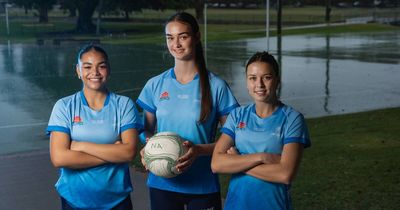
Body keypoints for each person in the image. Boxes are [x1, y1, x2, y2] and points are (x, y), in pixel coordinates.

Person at [136, 12, 239, 210]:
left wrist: (199, 150)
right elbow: (145, 130)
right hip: (162, 182)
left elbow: (234, 136)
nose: (176, 43)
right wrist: (150, 147)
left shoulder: (216, 86)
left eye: (183, 36)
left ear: (197, 37)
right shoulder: (155, 85)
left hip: (203, 184)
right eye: (170, 37)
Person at [46, 44, 142, 210]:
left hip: (118, 202)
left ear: (109, 69)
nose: (95, 73)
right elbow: (59, 158)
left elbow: (129, 152)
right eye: (87, 67)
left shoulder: (124, 105)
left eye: (101, 66)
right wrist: (113, 152)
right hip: (74, 201)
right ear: (78, 71)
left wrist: (81, 146)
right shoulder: (64, 106)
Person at [211, 51, 311, 210]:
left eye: (267, 77)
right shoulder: (237, 116)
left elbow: (285, 174)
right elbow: (217, 164)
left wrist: (238, 161)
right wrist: (262, 157)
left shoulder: (292, 119)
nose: (259, 84)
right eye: (253, 78)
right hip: (235, 205)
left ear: (277, 80)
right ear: (246, 82)